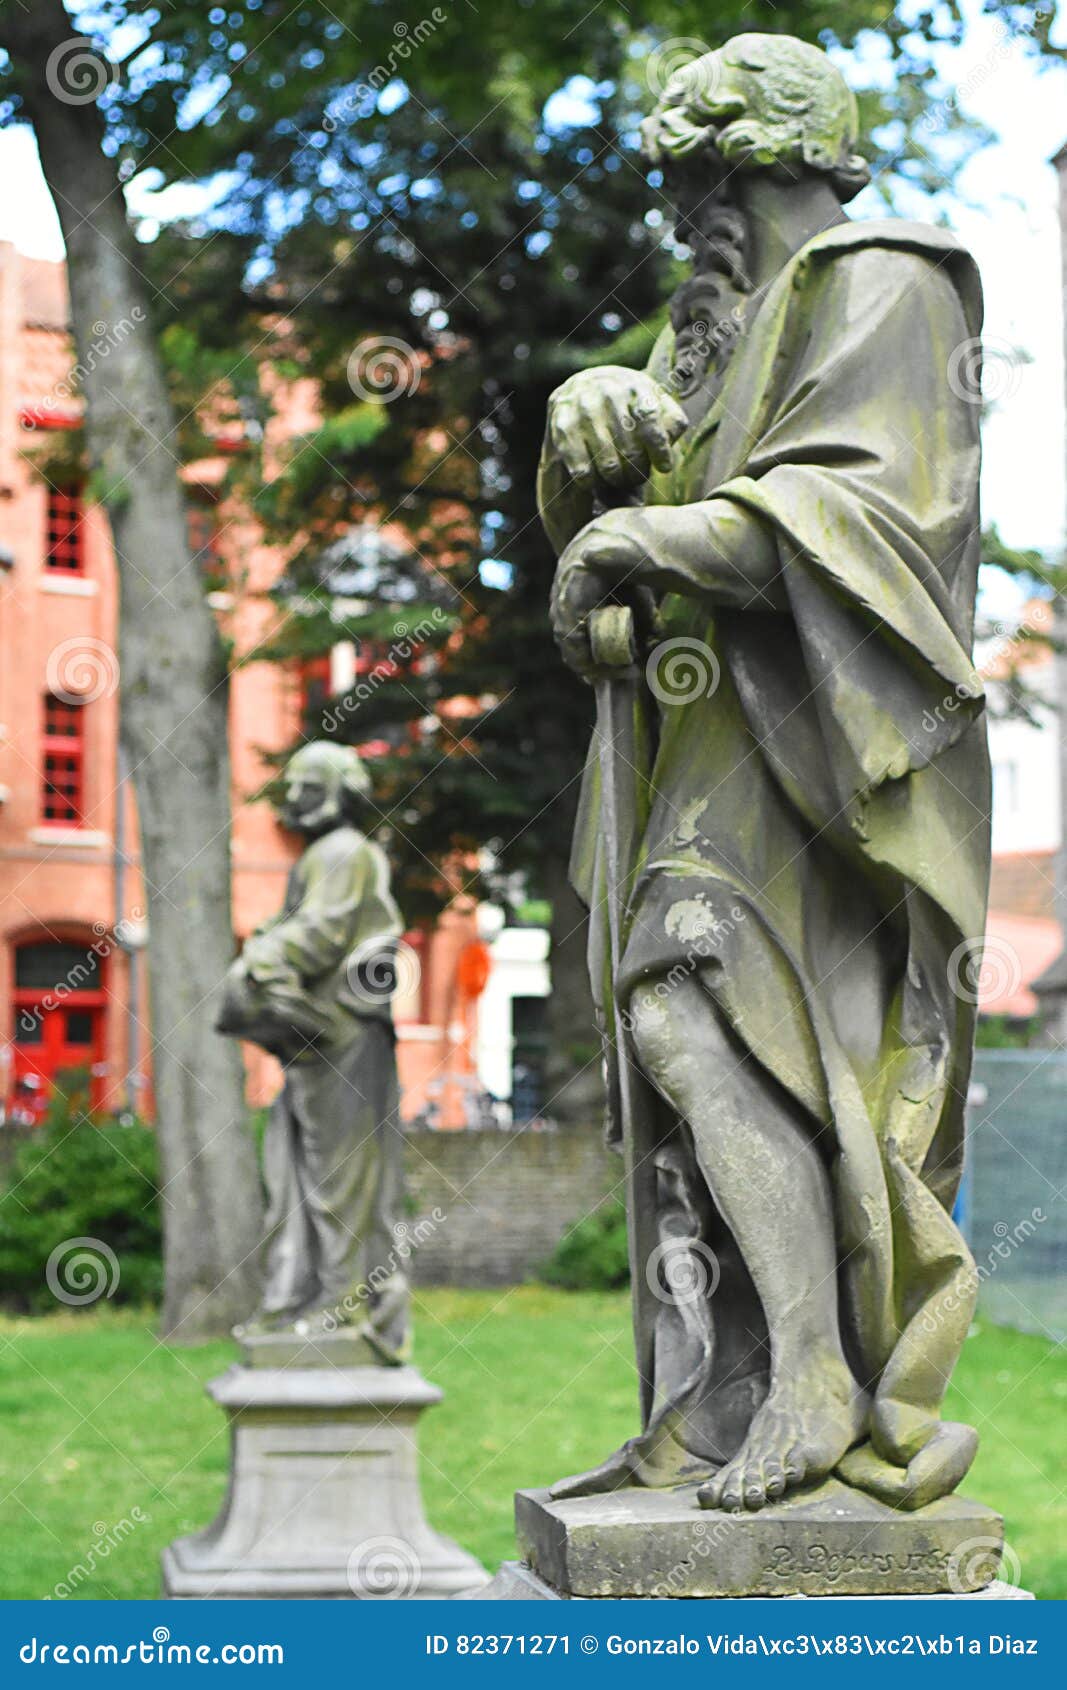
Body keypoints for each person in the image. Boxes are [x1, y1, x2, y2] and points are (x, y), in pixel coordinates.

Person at [541, 33, 990, 1512]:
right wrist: (580, 442)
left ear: (792, 163)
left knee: (693, 1009)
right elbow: (620, 535)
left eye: (712, 177)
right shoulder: (698, 345)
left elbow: (856, 511)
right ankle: (731, 1392)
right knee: (687, 1050)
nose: (689, 217)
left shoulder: (886, 280)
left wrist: (634, 541)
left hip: (825, 769)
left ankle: (813, 1378)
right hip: (701, 747)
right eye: (679, 185)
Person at [216, 740, 408, 1356]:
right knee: (298, 1172)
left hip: (343, 1034)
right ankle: (302, 1296)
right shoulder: (326, 854)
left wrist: (262, 957)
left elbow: (321, 933)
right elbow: (301, 925)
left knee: (339, 1172)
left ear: (334, 791)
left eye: (305, 785)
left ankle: (342, 1305)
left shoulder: (343, 852)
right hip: (319, 1039)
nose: (293, 799)